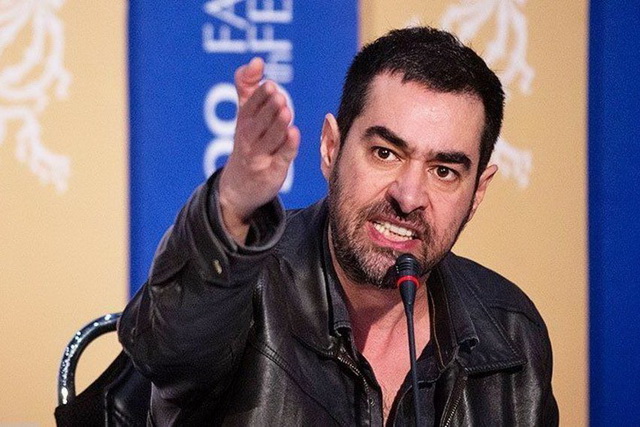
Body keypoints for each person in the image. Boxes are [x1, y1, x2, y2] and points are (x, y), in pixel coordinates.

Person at [118, 26, 559, 425]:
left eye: (444, 171)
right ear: (331, 148)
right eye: (385, 153)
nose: (408, 197)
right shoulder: (247, 290)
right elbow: (166, 349)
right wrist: (231, 201)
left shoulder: (512, 335)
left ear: (477, 192)